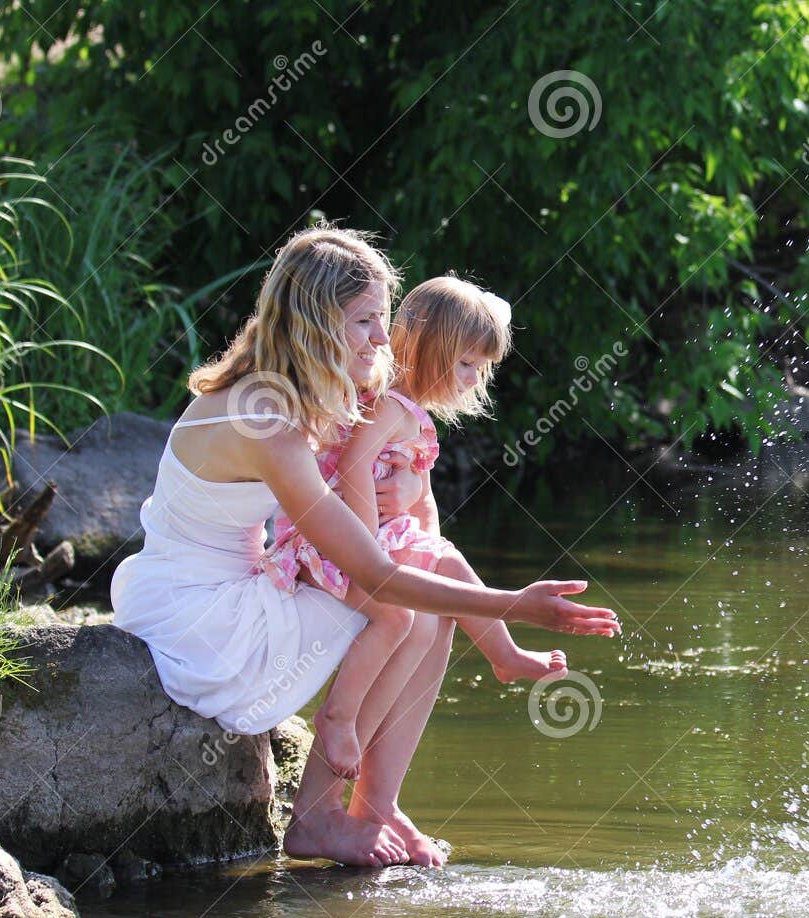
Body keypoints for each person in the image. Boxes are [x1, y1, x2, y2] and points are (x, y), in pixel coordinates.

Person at [111, 227, 619, 868]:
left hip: (208, 585)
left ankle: (376, 805)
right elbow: (374, 574)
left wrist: (410, 477)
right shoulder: (268, 422)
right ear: (316, 324)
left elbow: (402, 378)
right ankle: (319, 817)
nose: (383, 338)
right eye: (366, 321)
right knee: (409, 601)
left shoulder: (271, 376)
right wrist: (515, 605)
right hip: (207, 619)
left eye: (384, 316)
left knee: (427, 587)